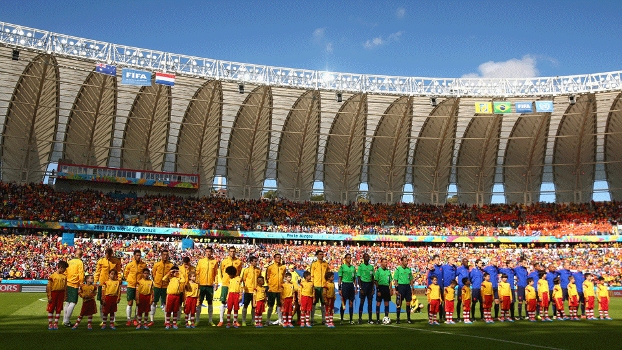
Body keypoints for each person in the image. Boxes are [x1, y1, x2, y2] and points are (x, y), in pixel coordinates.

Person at [94, 248, 121, 325]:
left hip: (113, 284)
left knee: (113, 302)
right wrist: (95, 282)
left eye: (110, 255)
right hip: (103, 284)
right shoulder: (101, 261)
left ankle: (113, 320)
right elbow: (97, 272)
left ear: (112, 254)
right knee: (102, 302)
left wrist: (119, 279)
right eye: (107, 255)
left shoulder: (116, 261)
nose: (108, 257)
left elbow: (118, 271)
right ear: (105, 253)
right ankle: (103, 320)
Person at [218, 246, 243, 327]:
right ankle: (221, 320)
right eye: (231, 251)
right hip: (225, 284)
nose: (232, 253)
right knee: (223, 302)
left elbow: (239, 273)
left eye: (233, 251)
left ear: (235, 252)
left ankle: (235, 321)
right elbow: (221, 272)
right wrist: (225, 280)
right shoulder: (224, 261)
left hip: (234, 285)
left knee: (235, 304)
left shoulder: (239, 262)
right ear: (228, 252)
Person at [195, 246, 218, 326]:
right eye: (207, 251)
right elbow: (197, 272)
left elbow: (216, 274)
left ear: (212, 252)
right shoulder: (201, 261)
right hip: (201, 285)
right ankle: (197, 320)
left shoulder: (214, 262)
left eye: (210, 251)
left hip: (209, 285)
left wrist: (216, 283)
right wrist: (197, 283)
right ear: (205, 252)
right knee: (199, 302)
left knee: (210, 302)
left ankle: (210, 320)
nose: (208, 253)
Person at [123, 249, 146, 327]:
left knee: (138, 303)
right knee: (130, 302)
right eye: (137, 255)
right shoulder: (130, 264)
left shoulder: (143, 265)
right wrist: (130, 281)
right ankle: (128, 319)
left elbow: (144, 275)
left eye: (140, 255)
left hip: (139, 287)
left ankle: (135, 319)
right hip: (131, 286)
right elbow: (125, 274)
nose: (139, 257)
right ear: (134, 256)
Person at [63, 248, 84, 327]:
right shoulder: (80, 262)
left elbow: (65, 272)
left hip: (68, 283)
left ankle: (65, 319)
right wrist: (81, 283)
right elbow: (81, 274)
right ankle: (67, 321)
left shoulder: (69, 261)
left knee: (67, 302)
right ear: (81, 255)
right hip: (74, 284)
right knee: (73, 302)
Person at [152, 250, 174, 323]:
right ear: (161, 255)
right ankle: (152, 320)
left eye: (166, 255)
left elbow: (171, 276)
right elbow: (153, 273)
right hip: (157, 286)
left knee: (165, 303)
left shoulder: (171, 265)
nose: (165, 256)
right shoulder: (157, 264)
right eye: (164, 254)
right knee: (154, 302)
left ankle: (166, 321)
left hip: (165, 287)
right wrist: (156, 281)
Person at [265, 253, 286, 326]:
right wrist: (270, 286)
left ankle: (280, 320)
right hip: (272, 289)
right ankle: (267, 320)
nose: (279, 258)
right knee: (271, 305)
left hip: (280, 289)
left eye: (280, 257)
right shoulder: (270, 267)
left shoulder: (283, 267)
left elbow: (283, 277)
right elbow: (267, 278)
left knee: (279, 305)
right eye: (277, 257)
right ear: (274, 258)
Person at [46, 261, 68, 330]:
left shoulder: (64, 277)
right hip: (54, 293)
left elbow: (65, 287)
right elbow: (49, 287)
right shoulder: (52, 276)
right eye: (64, 269)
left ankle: (55, 323)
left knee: (59, 309)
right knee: (51, 308)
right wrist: (49, 296)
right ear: (61, 268)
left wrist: (65, 296)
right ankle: (50, 324)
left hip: (61, 294)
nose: (65, 270)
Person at [241, 256, 261, 326]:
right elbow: (243, 279)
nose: (256, 262)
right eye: (254, 261)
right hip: (248, 291)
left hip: (255, 291)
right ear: (251, 262)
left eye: (256, 261)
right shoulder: (246, 270)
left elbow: (260, 280)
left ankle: (253, 320)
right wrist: (245, 288)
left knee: (254, 306)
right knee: (245, 305)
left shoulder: (258, 270)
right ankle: (243, 321)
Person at [310, 250, 329, 325]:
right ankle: (312, 319)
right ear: (317, 255)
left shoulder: (326, 264)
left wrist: (327, 283)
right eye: (320, 254)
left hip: (323, 286)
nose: (321, 255)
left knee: (323, 303)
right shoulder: (314, 264)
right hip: (316, 286)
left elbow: (328, 274)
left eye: (322, 254)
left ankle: (324, 319)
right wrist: (312, 285)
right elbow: (312, 275)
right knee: (314, 303)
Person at [393, 256, 414, 324]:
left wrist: (412, 287)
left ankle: (408, 318)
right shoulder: (398, 270)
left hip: (407, 287)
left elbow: (411, 279)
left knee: (408, 303)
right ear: (401, 262)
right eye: (405, 261)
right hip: (401, 287)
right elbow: (395, 280)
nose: (406, 262)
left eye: (407, 261)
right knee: (399, 303)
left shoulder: (409, 270)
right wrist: (396, 289)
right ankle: (398, 318)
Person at [338, 253, 357, 325]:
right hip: (345, 285)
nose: (349, 259)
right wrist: (340, 288)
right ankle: (342, 319)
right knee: (343, 303)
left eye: (350, 258)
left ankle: (351, 319)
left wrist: (355, 287)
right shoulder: (342, 267)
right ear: (345, 259)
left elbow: (355, 279)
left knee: (351, 303)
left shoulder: (353, 268)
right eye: (348, 258)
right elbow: (340, 278)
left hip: (351, 285)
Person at [357, 253, 375, 324]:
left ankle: (370, 319)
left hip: (370, 285)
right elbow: (358, 278)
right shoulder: (361, 266)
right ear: (363, 258)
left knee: (370, 302)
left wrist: (373, 288)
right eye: (366, 257)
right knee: (362, 302)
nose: (367, 258)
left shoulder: (371, 267)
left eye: (368, 257)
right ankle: (360, 318)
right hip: (363, 285)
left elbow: (373, 278)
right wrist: (360, 288)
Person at [374, 257, 392, 324]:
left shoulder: (388, 271)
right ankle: (378, 319)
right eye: (384, 262)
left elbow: (390, 281)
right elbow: (376, 281)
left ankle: (386, 317)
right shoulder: (378, 271)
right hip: (380, 288)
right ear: (381, 263)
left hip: (386, 288)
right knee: (378, 303)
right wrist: (378, 290)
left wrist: (390, 289)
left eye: (386, 262)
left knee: (386, 303)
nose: (386, 263)